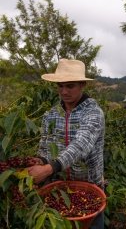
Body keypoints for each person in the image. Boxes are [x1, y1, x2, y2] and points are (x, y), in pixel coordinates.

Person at [27, 59, 105, 229]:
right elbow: (46, 145)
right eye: (60, 86)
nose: (64, 91)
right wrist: (41, 161)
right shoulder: (52, 115)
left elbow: (81, 145)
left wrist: (48, 169)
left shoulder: (93, 113)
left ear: (82, 84)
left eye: (70, 86)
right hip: (60, 188)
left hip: (89, 187)